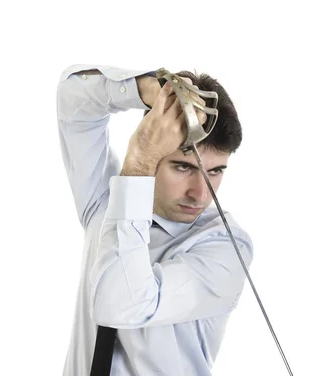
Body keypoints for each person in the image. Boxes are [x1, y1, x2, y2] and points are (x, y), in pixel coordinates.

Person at [56, 64, 254, 376]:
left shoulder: (227, 248)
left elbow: (121, 304)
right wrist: (144, 89)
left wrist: (141, 161)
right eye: (183, 167)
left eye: (215, 171)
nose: (200, 194)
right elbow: (73, 100)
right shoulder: (106, 203)